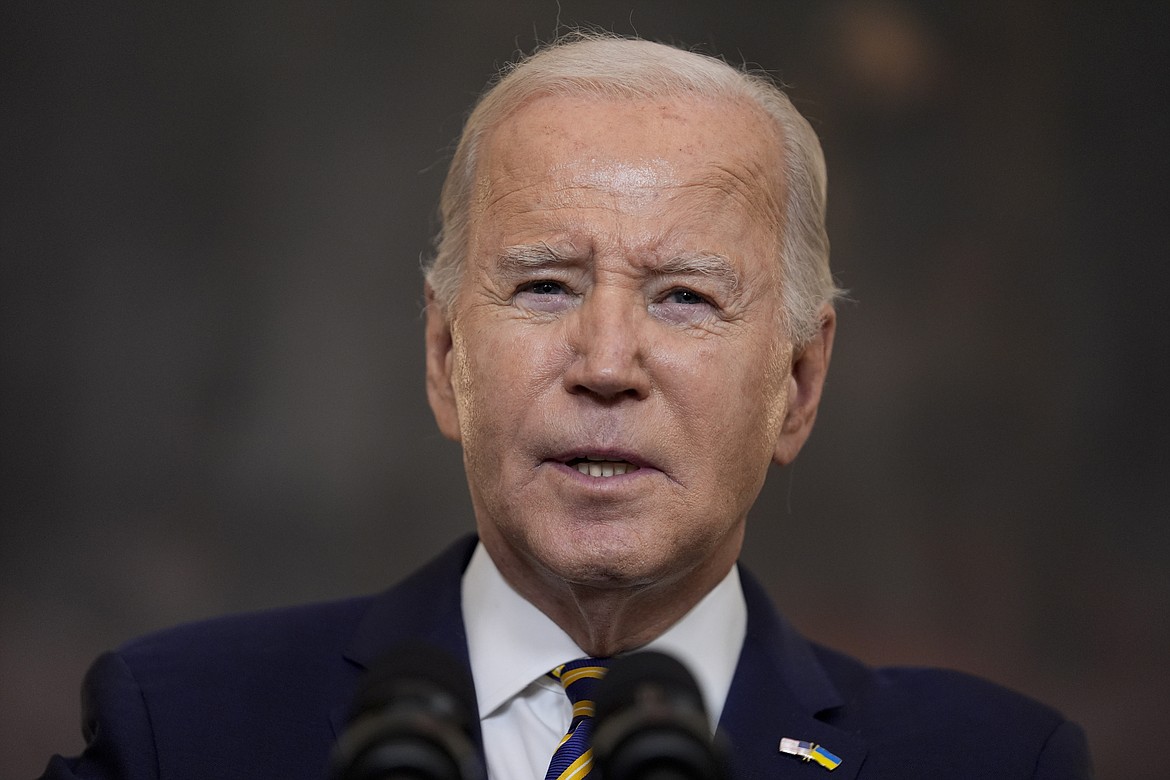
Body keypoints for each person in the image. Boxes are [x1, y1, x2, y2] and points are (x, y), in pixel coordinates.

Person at [41, 33, 1092, 780]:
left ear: (798, 387)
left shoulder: (994, 760)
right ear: (445, 350)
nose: (605, 362)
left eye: (685, 297)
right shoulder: (180, 731)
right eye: (545, 285)